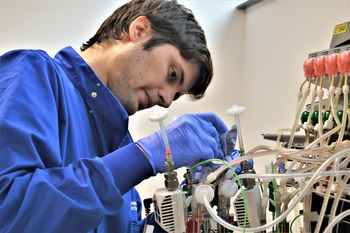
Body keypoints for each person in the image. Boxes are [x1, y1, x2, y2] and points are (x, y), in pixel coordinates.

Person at [0, 0, 228, 232]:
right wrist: (142, 157)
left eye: (176, 96)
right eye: (172, 74)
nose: (167, 100)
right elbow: (8, 211)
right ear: (139, 31)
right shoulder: (35, 73)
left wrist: (195, 204)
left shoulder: (119, 143)